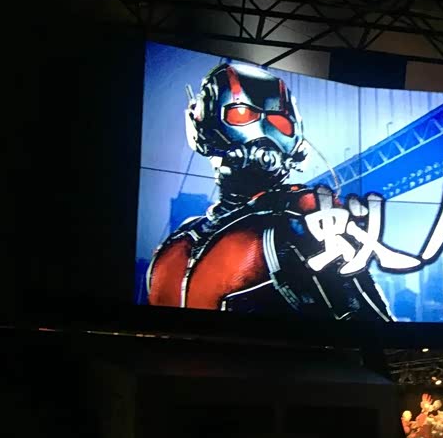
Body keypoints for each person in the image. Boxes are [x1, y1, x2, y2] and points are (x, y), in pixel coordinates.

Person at [147, 60, 393, 319]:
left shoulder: (299, 223)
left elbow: (366, 323)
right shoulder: (179, 242)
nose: (263, 134)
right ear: (204, 124)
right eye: (242, 114)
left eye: (279, 123)